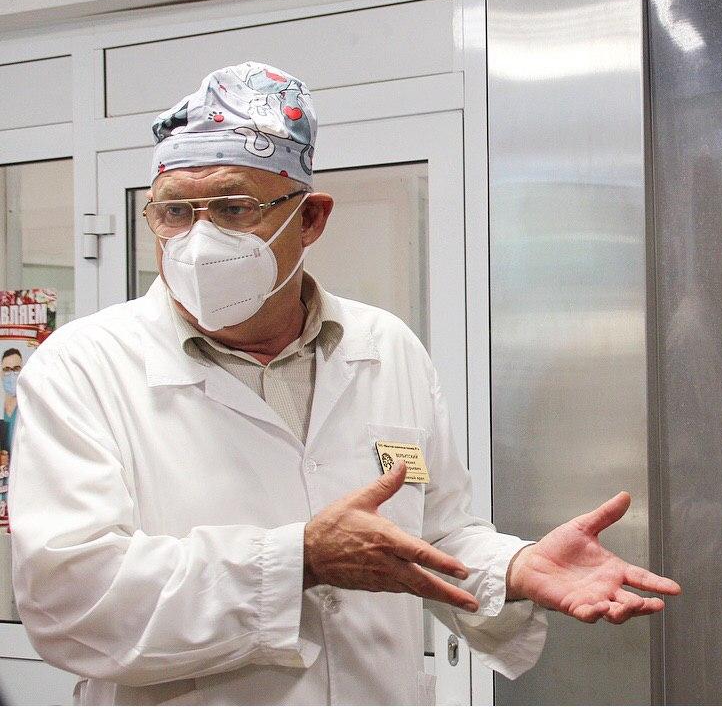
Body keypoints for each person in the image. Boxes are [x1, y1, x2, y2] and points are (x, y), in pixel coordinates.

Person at [8, 62, 680, 705]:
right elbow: (70, 599)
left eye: (234, 208)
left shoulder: (385, 346)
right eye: (176, 212)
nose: (199, 240)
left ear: (310, 218)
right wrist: (299, 559)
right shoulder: (82, 366)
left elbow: (435, 534)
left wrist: (514, 568)